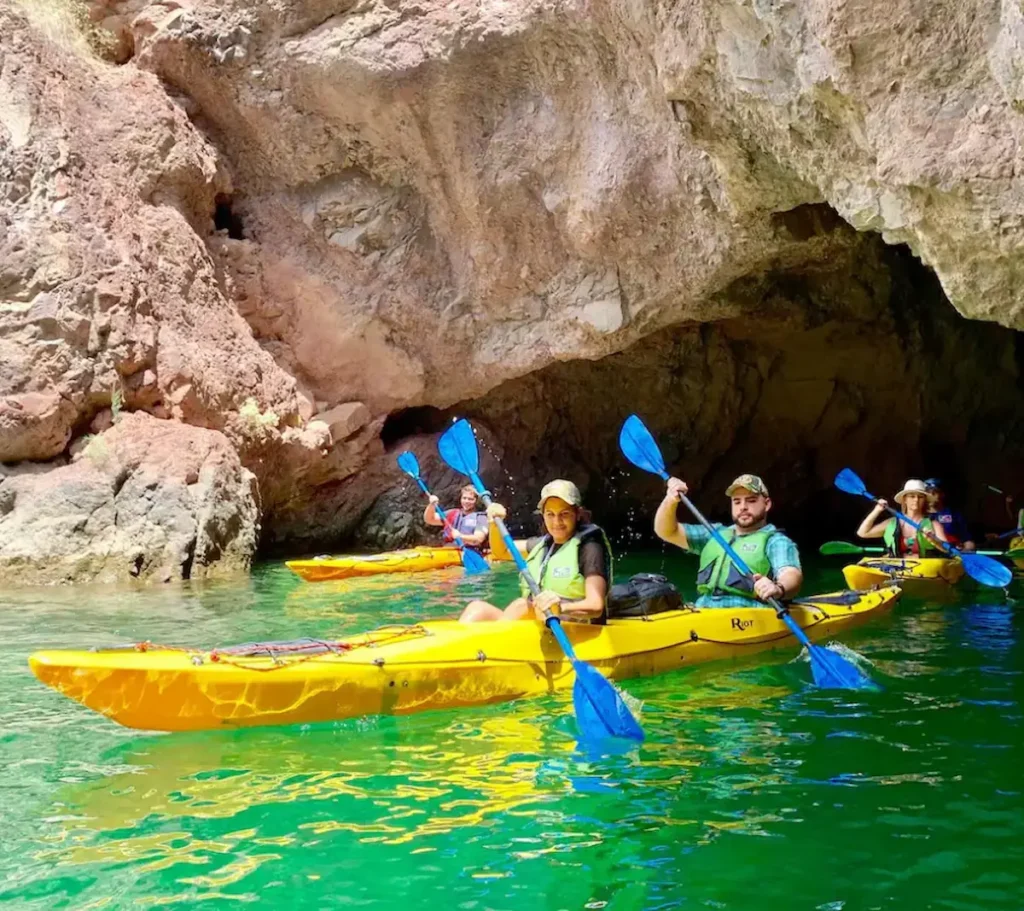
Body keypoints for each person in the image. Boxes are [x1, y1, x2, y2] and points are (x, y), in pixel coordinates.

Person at [458, 480, 612, 624]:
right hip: (544, 624)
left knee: (521, 606)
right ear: (543, 515)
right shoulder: (542, 544)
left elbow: (596, 605)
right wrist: (494, 523)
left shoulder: (590, 546)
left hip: (577, 628)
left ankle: (490, 647)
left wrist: (560, 608)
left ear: (577, 514)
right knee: (477, 608)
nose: (557, 522)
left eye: (564, 514)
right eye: (550, 514)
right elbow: (501, 552)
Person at [653, 473, 803, 608]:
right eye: (737, 502)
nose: (743, 507)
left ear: (767, 504)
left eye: (751, 500)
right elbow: (666, 532)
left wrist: (778, 588)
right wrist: (671, 500)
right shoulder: (714, 533)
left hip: (747, 616)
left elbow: (790, 573)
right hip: (703, 610)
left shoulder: (775, 541)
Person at [856, 478, 949, 556]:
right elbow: (863, 533)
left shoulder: (934, 525)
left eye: (920, 497)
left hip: (925, 569)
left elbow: (947, 550)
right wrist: (877, 510)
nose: (916, 500)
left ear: (925, 500)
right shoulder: (891, 523)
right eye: (912, 496)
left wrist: (934, 541)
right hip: (896, 568)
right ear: (905, 499)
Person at [424, 485, 489, 554]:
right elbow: (430, 519)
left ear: (476, 501)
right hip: (448, 550)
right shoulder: (452, 513)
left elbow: (478, 539)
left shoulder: (481, 518)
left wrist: (460, 536)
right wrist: (431, 505)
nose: (466, 501)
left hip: (468, 551)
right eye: (464, 498)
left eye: (470, 499)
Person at [924, 478, 975, 551]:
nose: (931, 495)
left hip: (951, 556)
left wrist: (965, 552)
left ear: (942, 494)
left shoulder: (954, 514)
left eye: (935, 492)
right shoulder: (919, 515)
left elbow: (967, 541)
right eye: (928, 492)